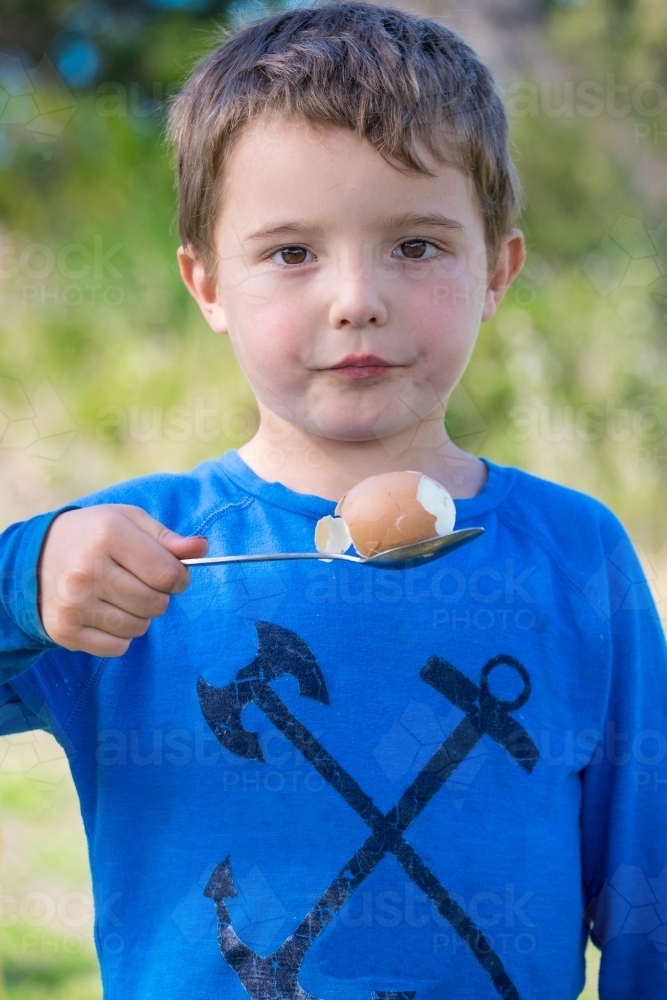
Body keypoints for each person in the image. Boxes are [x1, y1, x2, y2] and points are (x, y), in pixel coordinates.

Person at [0, 4, 665, 998]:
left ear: (498, 271)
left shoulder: (576, 554)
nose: (356, 297)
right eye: (291, 253)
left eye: (417, 245)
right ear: (207, 283)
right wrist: (25, 577)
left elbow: (647, 890)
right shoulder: (133, 561)